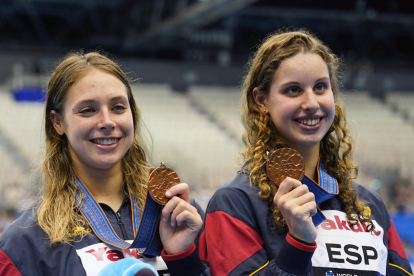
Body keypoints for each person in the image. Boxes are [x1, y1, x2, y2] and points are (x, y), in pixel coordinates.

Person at [198, 29, 413, 275]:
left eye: (321, 87)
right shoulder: (235, 204)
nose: (311, 103)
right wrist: (298, 244)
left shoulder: (369, 204)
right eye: (293, 90)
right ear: (261, 101)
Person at [0, 52, 210, 276]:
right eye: (87, 110)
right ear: (58, 122)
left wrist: (182, 257)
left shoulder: (180, 215)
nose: (107, 122)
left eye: (118, 107)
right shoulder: (25, 242)